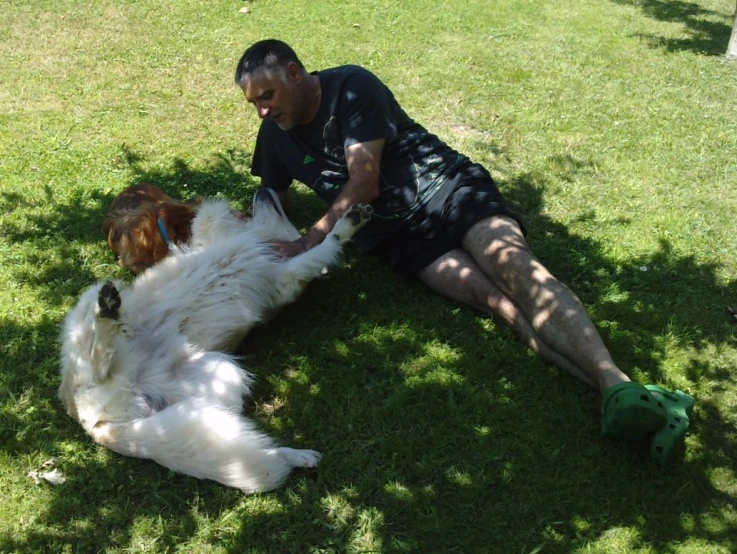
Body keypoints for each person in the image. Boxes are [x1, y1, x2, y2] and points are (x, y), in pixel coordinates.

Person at [233, 39, 694, 464]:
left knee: (516, 268)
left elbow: (364, 182)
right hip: (401, 240)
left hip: (448, 190)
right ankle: (631, 396)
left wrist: (306, 242)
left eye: (267, 96)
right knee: (495, 302)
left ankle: (616, 382)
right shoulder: (275, 134)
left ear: (295, 73)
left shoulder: (352, 87)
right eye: (254, 103)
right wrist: (242, 237)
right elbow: (270, 197)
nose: (262, 111)